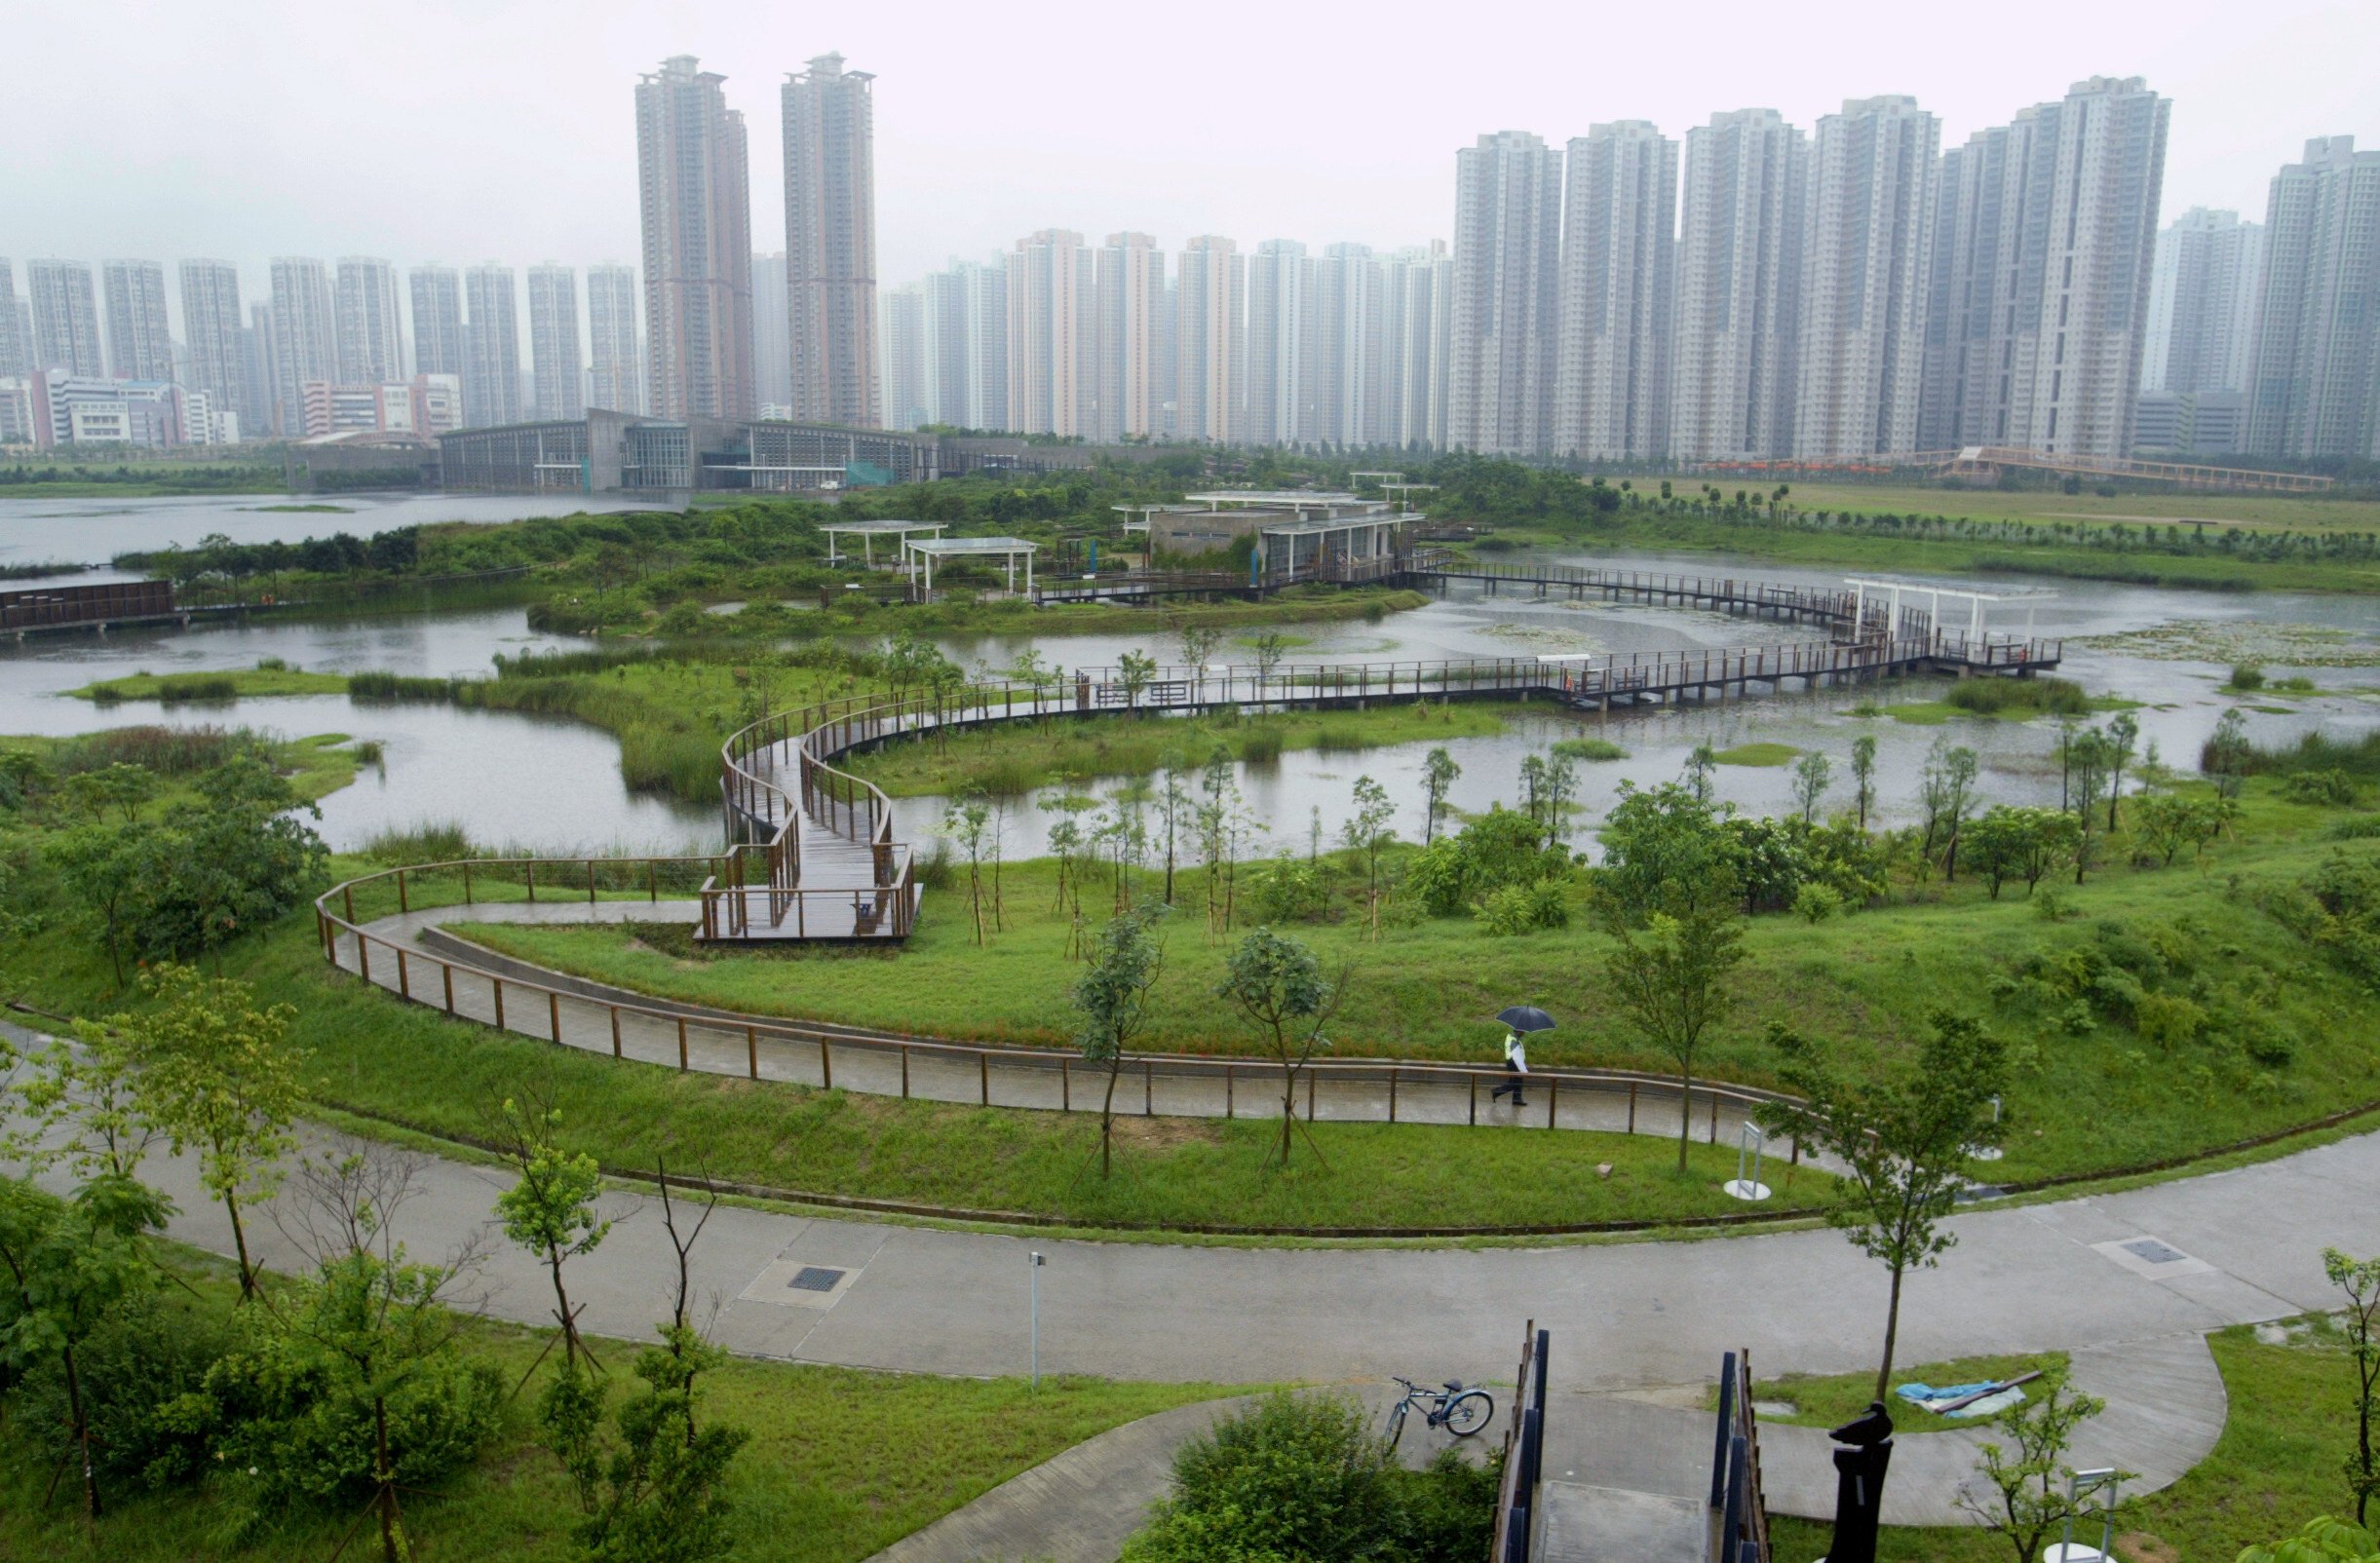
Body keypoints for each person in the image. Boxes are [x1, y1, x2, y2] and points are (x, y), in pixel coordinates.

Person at [1491, 1029, 1529, 1108]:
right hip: (1514, 1063)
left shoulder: (1513, 1038)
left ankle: (1517, 1099)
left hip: (1511, 1063)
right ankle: (1496, 1092)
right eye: (1523, 1031)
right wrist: (1523, 1070)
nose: (1524, 1033)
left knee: (1518, 1082)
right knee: (1515, 1082)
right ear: (1519, 1032)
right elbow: (1517, 1057)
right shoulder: (1514, 1041)